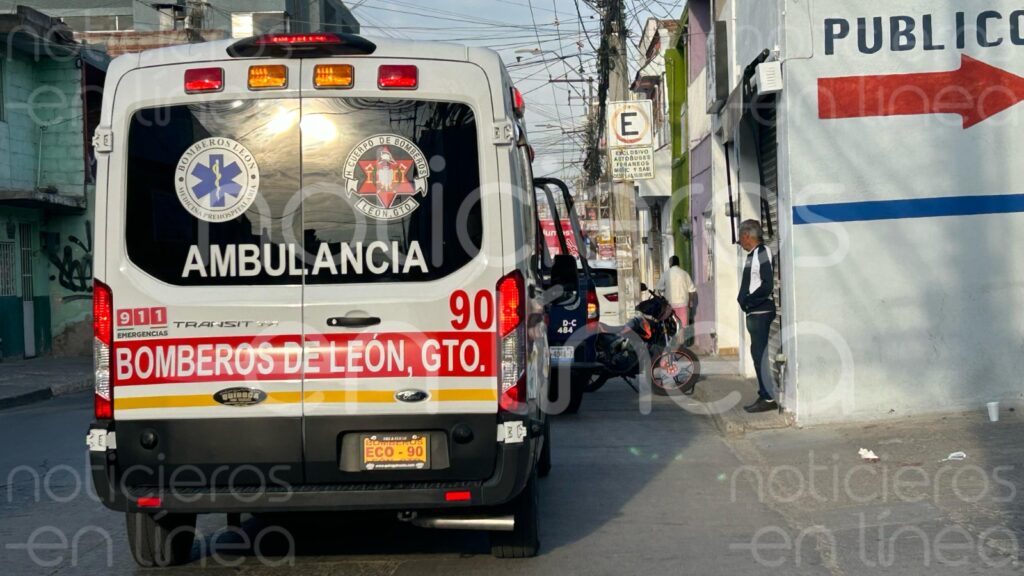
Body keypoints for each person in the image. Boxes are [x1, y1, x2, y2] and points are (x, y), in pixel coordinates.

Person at [737, 220, 777, 414]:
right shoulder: (753, 255)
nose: (739, 241)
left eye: (740, 236)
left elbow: (767, 285)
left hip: (761, 311)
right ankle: (764, 393)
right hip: (754, 311)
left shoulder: (762, 253)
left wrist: (750, 301)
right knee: (756, 354)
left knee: (759, 355)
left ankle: (768, 397)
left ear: (747, 235)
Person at [655, 255, 696, 344]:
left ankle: (672, 344)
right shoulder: (685, 273)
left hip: (670, 306)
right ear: (679, 263)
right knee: (683, 327)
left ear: (670, 264)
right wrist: (690, 302)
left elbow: (658, 288)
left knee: (671, 326)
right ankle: (681, 346)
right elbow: (692, 290)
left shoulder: (666, 274)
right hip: (683, 304)